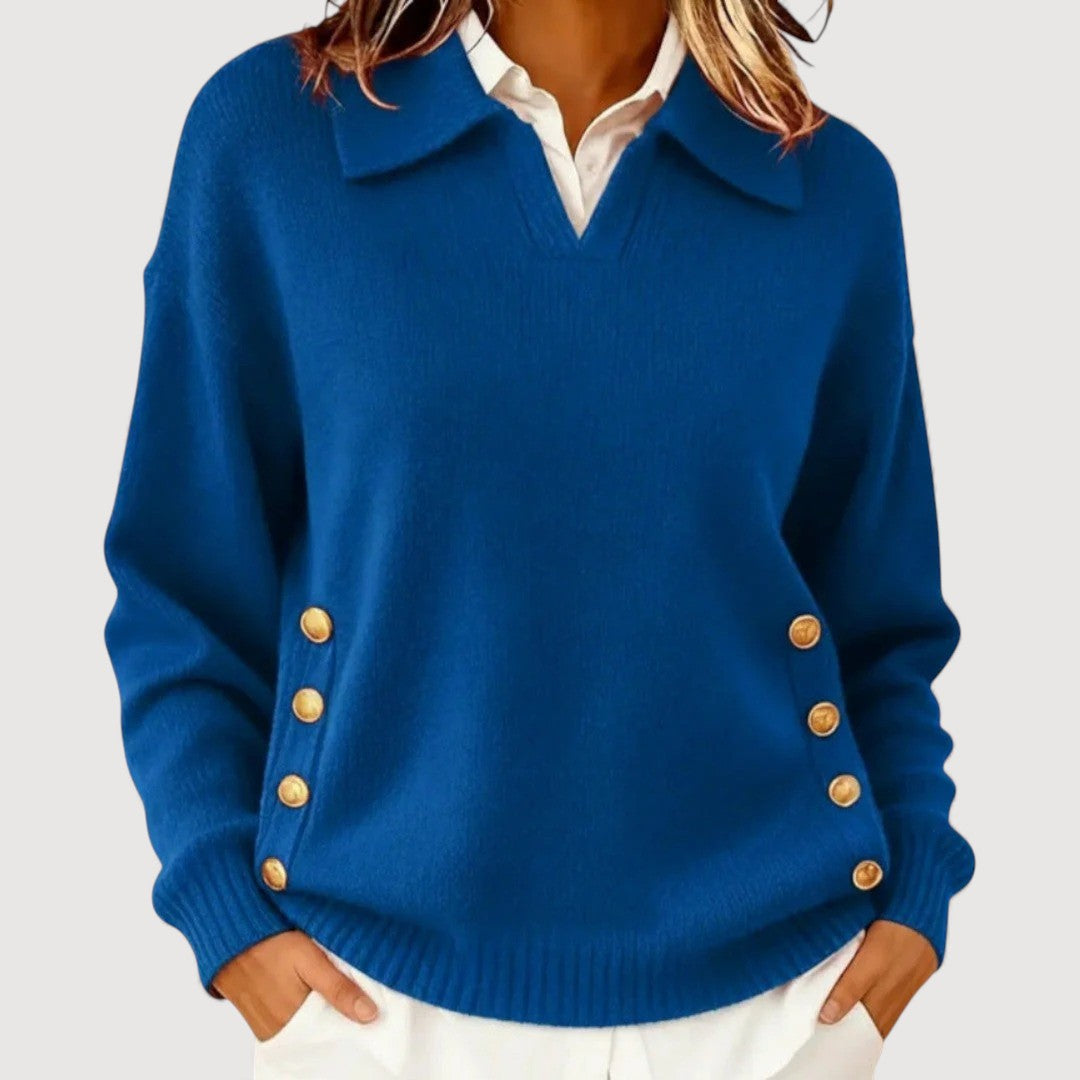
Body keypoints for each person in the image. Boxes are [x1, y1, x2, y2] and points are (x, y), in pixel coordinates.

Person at [103, 1, 974, 1076]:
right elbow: (181, 588)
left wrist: (917, 892)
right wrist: (223, 909)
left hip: (782, 1003)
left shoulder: (830, 191)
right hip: (371, 1006)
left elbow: (879, 619)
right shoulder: (276, 141)